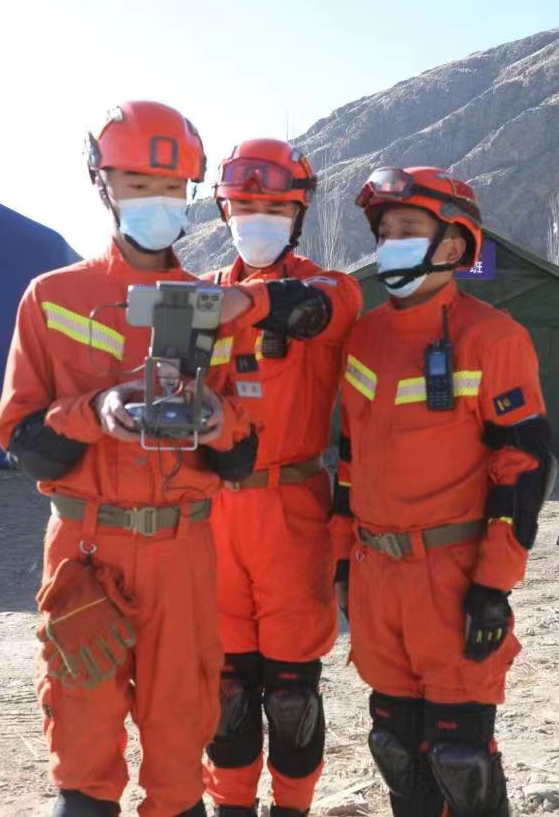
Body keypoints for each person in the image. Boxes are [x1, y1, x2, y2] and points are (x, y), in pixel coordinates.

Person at [0, 100, 259, 817]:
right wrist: (96, 411)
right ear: (102, 184)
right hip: (87, 549)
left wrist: (218, 423)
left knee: (180, 750)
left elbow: (242, 459)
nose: (156, 202)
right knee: (82, 753)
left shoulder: (212, 306)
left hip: (183, 553)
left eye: (171, 188)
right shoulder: (52, 298)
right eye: (138, 184)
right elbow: (23, 444)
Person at [330, 166, 557, 817]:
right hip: (377, 576)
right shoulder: (364, 336)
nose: (389, 243)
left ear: (453, 245)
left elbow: (524, 464)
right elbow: (350, 461)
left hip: (452, 579)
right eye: (384, 232)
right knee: (396, 749)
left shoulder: (493, 338)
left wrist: (493, 585)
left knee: (461, 759)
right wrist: (344, 563)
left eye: (407, 229)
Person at [199, 139, 364, 817]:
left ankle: (292, 807)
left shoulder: (333, 288)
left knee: (293, 691)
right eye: (244, 207)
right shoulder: (199, 295)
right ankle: (230, 806)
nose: (257, 220)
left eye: (274, 208)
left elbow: (310, 309)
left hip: (293, 512)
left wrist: (239, 304)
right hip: (216, 514)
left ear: (299, 215)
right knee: (228, 689)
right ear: (224, 212)